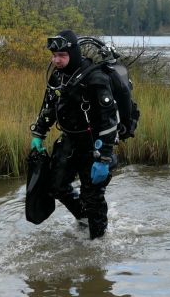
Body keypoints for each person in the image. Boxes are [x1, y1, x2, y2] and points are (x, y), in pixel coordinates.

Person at [29, 30, 119, 239]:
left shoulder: (95, 78)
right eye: (54, 56)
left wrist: (104, 158)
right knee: (56, 186)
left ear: (73, 54)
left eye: (62, 55)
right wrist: (39, 134)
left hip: (94, 145)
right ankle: (85, 219)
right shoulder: (58, 76)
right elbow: (49, 107)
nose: (57, 60)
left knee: (93, 196)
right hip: (70, 141)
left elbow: (109, 120)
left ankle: (99, 244)